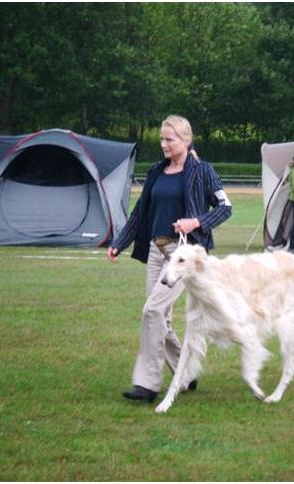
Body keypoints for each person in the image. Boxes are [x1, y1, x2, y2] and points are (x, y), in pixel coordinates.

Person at [107, 115, 232, 403]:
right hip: (155, 250)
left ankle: (147, 384)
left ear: (186, 140)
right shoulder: (156, 171)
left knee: (152, 312)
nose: (163, 144)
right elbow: (140, 212)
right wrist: (119, 243)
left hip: (183, 256)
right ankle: (185, 373)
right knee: (159, 317)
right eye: (162, 139)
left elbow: (225, 207)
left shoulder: (202, 171)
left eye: (169, 139)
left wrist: (195, 222)